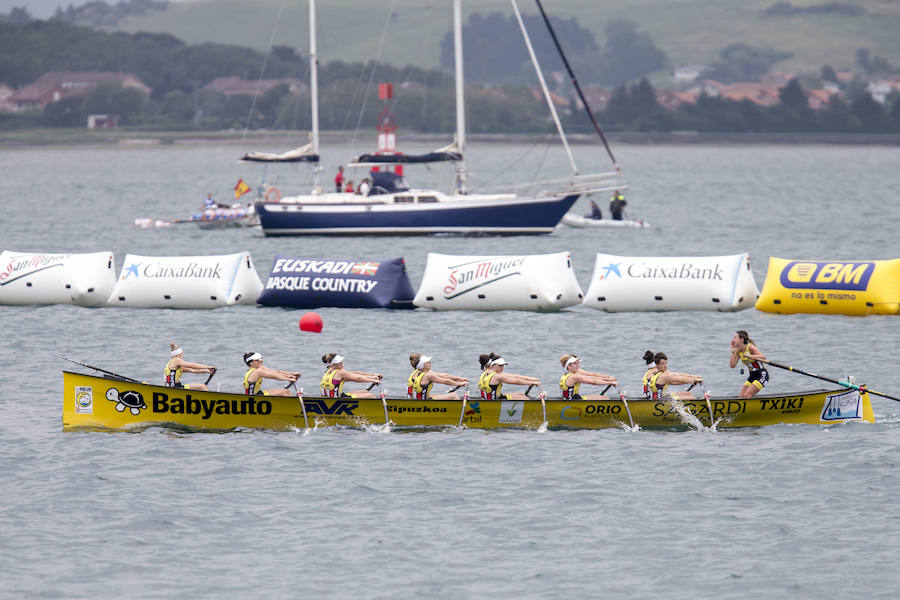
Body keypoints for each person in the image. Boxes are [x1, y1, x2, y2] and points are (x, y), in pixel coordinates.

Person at [730, 330, 768, 398]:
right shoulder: (738, 351)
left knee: (747, 395)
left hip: (761, 375)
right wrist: (733, 352)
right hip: (752, 376)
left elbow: (763, 357)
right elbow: (732, 365)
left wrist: (754, 356)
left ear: (741, 339)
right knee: (741, 397)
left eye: (735, 338)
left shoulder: (749, 347)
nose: (733, 340)